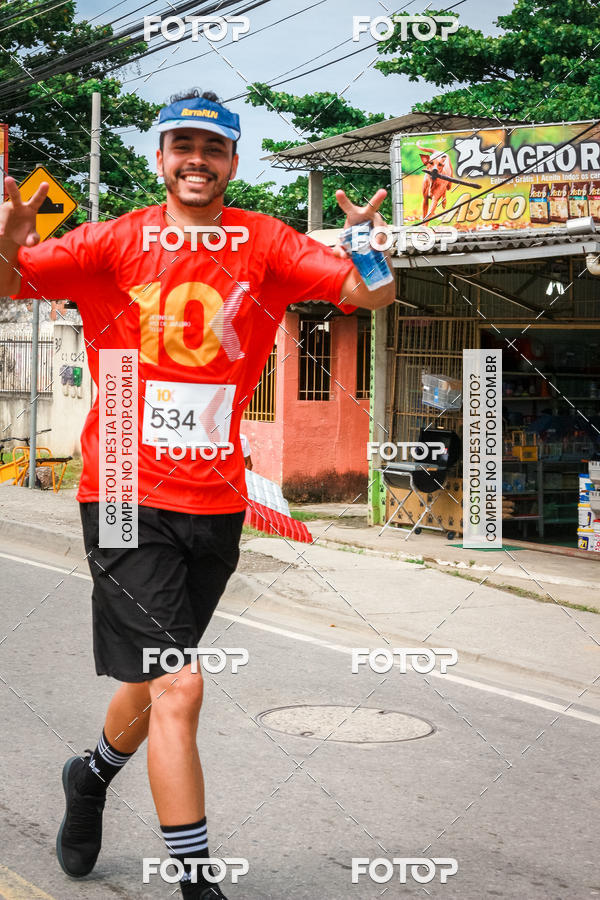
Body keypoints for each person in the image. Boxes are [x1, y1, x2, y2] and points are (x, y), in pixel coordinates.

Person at [0, 89, 395, 899]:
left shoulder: (267, 241)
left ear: (232, 163)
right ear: (159, 157)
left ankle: (91, 773)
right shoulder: (114, 239)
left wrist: (368, 249)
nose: (196, 160)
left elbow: (370, 297)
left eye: (212, 149)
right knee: (180, 679)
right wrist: (7, 245)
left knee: (149, 679)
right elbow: (10, 285)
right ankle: (198, 884)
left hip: (215, 498)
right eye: (182, 144)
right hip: (121, 484)